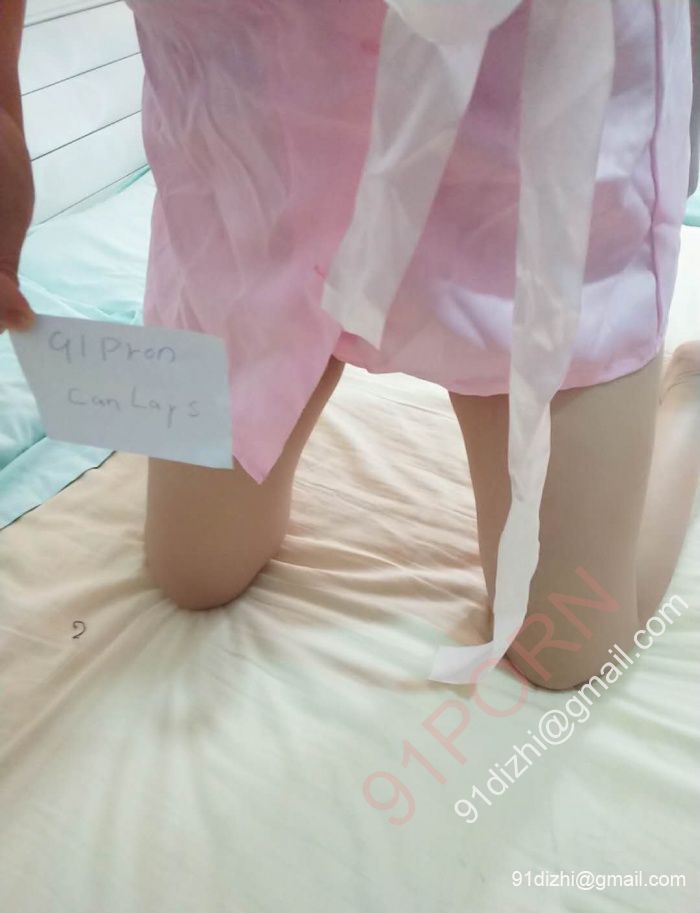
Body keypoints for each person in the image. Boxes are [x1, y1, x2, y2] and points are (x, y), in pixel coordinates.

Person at [2, 0, 699, 691]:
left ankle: (691, 396)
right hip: (248, 156)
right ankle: (317, 336)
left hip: (527, 145)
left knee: (565, 649)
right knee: (192, 573)